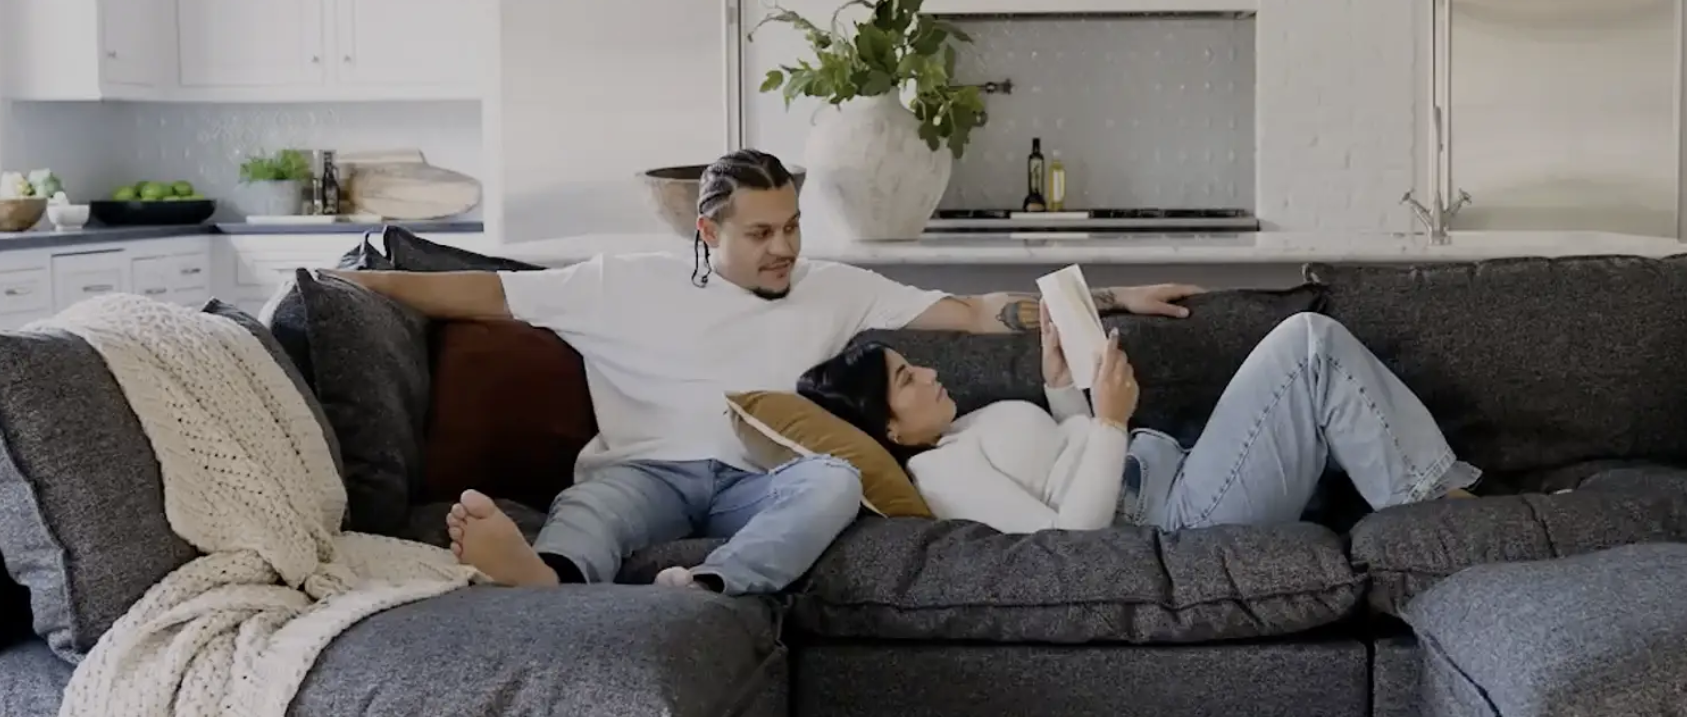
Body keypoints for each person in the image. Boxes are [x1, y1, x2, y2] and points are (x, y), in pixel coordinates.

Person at [332, 149, 1200, 593]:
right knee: (592, 505)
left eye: (791, 226)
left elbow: (974, 313)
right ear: (708, 234)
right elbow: (480, 294)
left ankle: (712, 587)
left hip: (764, 479)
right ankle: (542, 580)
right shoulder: (619, 283)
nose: (784, 246)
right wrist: (342, 282)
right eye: (760, 232)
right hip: (650, 471)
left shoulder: (835, 289)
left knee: (829, 483)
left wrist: (1111, 295)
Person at [796, 311, 1481, 533]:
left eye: (915, 363)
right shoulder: (937, 472)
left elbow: (1057, 461)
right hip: (1177, 514)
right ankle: (1447, 522)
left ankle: (1441, 512)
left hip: (1176, 472)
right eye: (907, 379)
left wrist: (1062, 387)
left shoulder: (954, 433)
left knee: (1327, 390)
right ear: (885, 427)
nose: (931, 372)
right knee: (1309, 344)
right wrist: (1113, 422)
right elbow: (1068, 541)